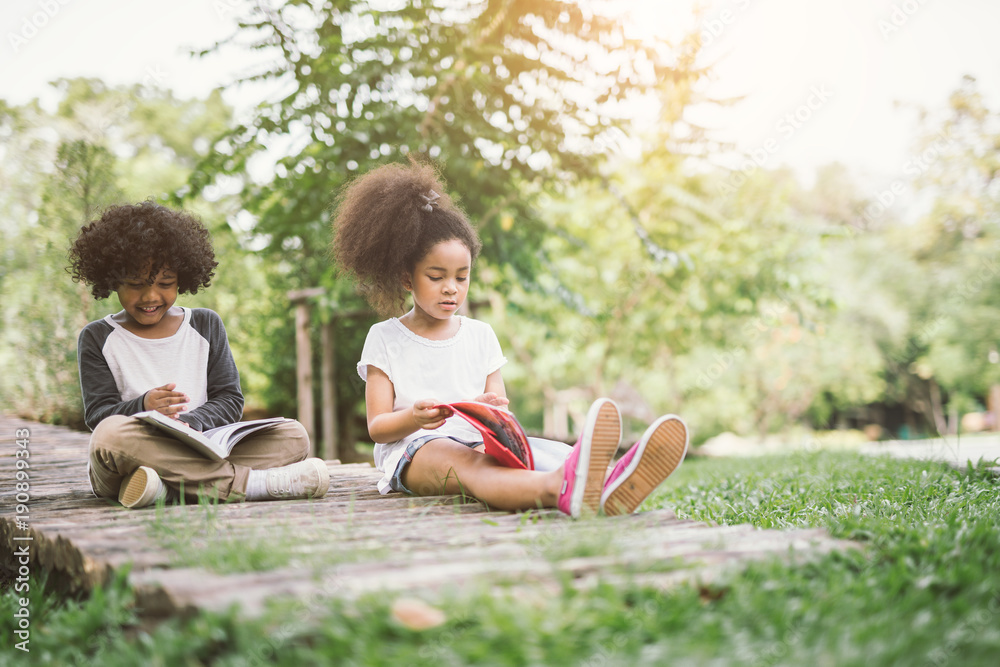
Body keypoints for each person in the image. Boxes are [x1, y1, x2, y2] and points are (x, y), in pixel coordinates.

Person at [332, 160, 688, 517]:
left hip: (479, 441)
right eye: (436, 276)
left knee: (541, 452)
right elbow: (378, 428)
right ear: (407, 279)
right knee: (470, 466)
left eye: (462, 277)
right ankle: (560, 490)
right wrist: (415, 417)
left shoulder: (481, 335)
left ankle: (611, 479)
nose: (451, 289)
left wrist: (491, 410)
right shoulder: (385, 337)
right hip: (416, 450)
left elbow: (500, 404)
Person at [69, 201, 330, 508]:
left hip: (201, 446)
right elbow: (98, 415)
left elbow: (230, 400)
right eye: (136, 285)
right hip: (133, 452)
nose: (151, 296)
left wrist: (189, 424)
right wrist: (143, 407)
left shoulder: (205, 324)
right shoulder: (97, 337)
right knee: (108, 436)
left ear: (183, 278)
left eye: (165, 284)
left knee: (294, 435)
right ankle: (252, 484)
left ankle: (165, 489)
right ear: (112, 280)